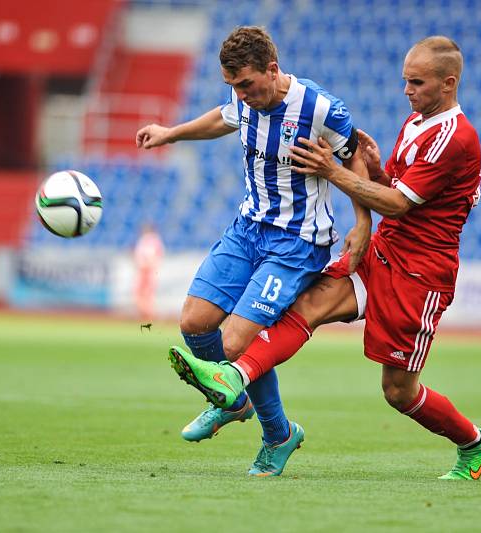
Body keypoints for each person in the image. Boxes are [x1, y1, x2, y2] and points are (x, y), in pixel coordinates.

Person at [168, 36, 481, 480]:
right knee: (307, 308)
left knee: (398, 392)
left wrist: (335, 172)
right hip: (386, 250)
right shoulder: (418, 123)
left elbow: (399, 204)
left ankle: (475, 443)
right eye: (405, 81)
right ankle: (235, 380)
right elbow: (398, 191)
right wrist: (378, 172)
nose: (407, 90)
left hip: (419, 274)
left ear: (449, 83)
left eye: (416, 82)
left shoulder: (456, 137)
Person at [136, 26, 371, 476]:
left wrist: (362, 223)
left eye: (246, 84)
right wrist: (171, 133)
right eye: (233, 86)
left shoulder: (318, 107)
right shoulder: (245, 102)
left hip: (297, 243)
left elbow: (354, 159)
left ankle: (275, 434)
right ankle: (234, 401)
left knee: (234, 342)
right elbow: (222, 118)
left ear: (273, 69)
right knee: (194, 323)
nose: (241, 95)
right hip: (248, 228)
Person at [133, 224, 164, 320]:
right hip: (146, 270)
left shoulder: (150, 240)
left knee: (145, 293)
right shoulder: (149, 240)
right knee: (144, 293)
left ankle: (147, 314)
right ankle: (146, 314)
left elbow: (149, 256)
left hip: (148, 270)